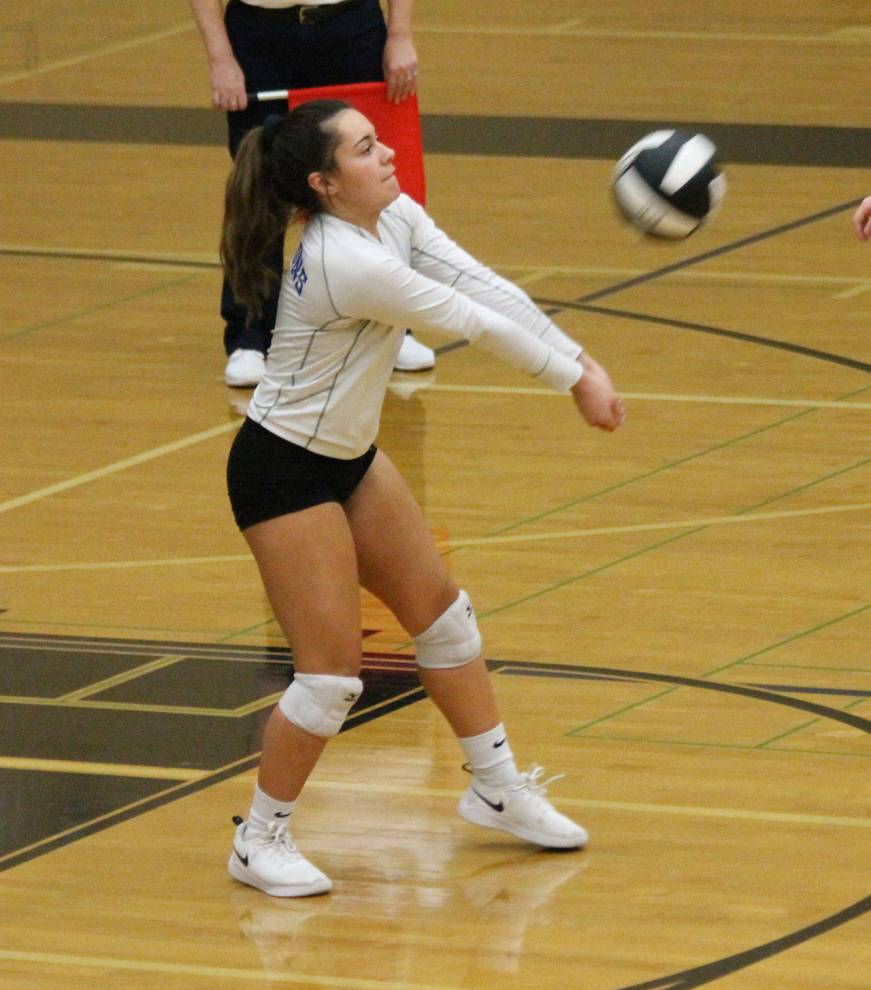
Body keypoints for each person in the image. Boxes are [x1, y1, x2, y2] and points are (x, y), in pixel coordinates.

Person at [221, 99, 626, 897]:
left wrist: (579, 355)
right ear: (325, 184)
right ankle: (259, 839)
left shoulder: (392, 218)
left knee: (443, 618)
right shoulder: (343, 258)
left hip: (347, 458)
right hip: (282, 470)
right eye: (366, 151)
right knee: (330, 676)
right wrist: (575, 380)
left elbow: (480, 282)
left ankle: (496, 788)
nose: (387, 156)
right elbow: (466, 319)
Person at [189, 0, 436, 387]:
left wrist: (400, 35)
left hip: (351, 29)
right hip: (258, 35)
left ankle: (390, 327)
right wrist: (220, 57)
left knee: (368, 183)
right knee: (259, 187)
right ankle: (250, 334)